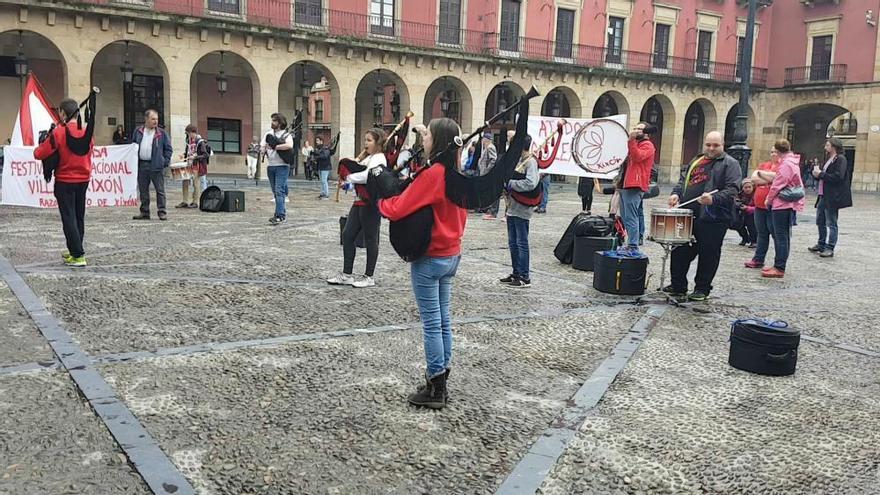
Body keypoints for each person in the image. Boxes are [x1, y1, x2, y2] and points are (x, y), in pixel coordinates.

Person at [377, 117, 467, 409]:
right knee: (443, 321)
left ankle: (435, 385)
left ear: (437, 140)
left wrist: (380, 201)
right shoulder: (458, 172)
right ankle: (442, 377)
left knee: (431, 325)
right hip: (452, 254)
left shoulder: (435, 174)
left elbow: (399, 206)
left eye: (427, 135)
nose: (423, 139)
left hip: (431, 258)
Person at [664, 131, 741, 302]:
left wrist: (713, 198)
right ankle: (678, 285)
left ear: (723, 145)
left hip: (713, 217)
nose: (711, 148)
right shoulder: (696, 160)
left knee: (708, 253)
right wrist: (676, 193)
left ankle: (702, 288)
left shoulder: (730, 164)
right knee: (680, 250)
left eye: (716, 145)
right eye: (708, 145)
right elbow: (683, 180)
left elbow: (733, 189)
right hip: (688, 214)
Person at [34, 98, 94, 267]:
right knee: (78, 216)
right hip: (83, 179)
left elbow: (41, 153)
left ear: (62, 113)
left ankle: (77, 255)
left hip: (65, 180)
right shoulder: (87, 131)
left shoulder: (59, 131)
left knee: (68, 217)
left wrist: (37, 148)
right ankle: (75, 248)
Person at [327, 128, 387, 288]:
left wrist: (349, 176)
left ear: (378, 143)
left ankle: (369, 276)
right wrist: (348, 182)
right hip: (358, 202)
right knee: (347, 235)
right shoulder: (368, 158)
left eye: (369, 140)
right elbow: (359, 178)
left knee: (370, 238)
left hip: (371, 204)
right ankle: (347, 274)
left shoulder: (380, 158)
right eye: (365, 140)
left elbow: (368, 176)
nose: (365, 143)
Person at [761, 139, 805, 278]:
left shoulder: (786, 164)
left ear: (779, 151)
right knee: (783, 235)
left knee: (781, 236)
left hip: (782, 204)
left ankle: (779, 267)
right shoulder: (792, 161)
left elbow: (777, 184)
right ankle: (778, 265)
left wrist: (768, 199)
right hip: (786, 203)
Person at [500, 135, 539, 288]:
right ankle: (516, 272)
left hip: (522, 208)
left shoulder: (530, 162)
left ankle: (525, 276)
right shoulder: (517, 160)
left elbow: (531, 183)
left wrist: (510, 183)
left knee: (521, 243)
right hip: (511, 206)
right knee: (513, 243)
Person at [809, 137, 852, 258]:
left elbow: (838, 176)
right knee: (820, 220)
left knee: (831, 222)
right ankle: (821, 243)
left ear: (833, 146)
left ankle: (830, 247)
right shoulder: (829, 159)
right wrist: (817, 175)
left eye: (827, 145)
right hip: (823, 195)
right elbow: (825, 176)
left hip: (833, 196)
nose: (825, 147)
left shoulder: (840, 159)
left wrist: (821, 174)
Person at [619, 122, 656, 253]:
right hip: (626, 184)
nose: (635, 130)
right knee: (625, 216)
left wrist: (631, 141)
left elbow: (637, 157)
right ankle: (631, 242)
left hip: (635, 184)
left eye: (639, 129)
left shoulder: (648, 145)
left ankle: (633, 244)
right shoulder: (637, 143)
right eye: (635, 128)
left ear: (646, 133)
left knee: (631, 216)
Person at [132, 109, 173, 221]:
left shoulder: (162, 133)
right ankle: (144, 212)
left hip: (156, 165)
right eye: (153, 119)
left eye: (156, 119)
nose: (155, 121)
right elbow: (133, 146)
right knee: (143, 190)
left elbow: (168, 149)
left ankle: (162, 212)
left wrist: (164, 161)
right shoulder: (138, 131)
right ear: (146, 119)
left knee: (160, 190)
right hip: (142, 165)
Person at [744, 149, 780, 269]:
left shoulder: (782, 166)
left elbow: (778, 179)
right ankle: (758, 259)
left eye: (776, 152)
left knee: (776, 234)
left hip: (773, 206)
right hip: (759, 205)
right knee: (762, 233)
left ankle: (778, 263)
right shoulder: (764, 165)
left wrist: (763, 175)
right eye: (772, 152)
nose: (773, 154)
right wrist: (769, 178)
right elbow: (754, 179)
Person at [262, 113, 294, 225]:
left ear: (280, 123)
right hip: (271, 166)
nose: (272, 123)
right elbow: (262, 147)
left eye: (274, 121)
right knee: (276, 192)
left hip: (282, 166)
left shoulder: (286, 135)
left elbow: (289, 146)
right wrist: (262, 149)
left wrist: (276, 147)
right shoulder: (268, 134)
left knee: (279, 190)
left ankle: (280, 216)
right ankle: (281, 213)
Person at [176, 124, 208, 209]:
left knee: (195, 183)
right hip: (188, 164)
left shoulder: (200, 142)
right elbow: (188, 151)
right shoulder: (188, 140)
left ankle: (195, 202)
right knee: (185, 182)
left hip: (195, 165)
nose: (187, 135)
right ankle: (185, 201)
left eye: (188, 133)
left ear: (192, 132)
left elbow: (205, 155)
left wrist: (195, 157)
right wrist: (184, 155)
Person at [479, 131, 500, 219]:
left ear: (486, 140)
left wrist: (487, 170)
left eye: (483, 139)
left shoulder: (490, 147)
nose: (482, 141)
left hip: (489, 173)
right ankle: (489, 209)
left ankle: (493, 212)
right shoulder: (486, 148)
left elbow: (493, 160)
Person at [734, 179, 757, 247]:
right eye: (746, 187)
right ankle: (745, 238)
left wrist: (747, 208)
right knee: (738, 225)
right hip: (742, 213)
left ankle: (754, 241)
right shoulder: (739, 194)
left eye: (749, 187)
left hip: (752, 214)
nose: (748, 189)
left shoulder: (756, 195)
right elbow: (735, 201)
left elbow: (757, 208)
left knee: (752, 227)